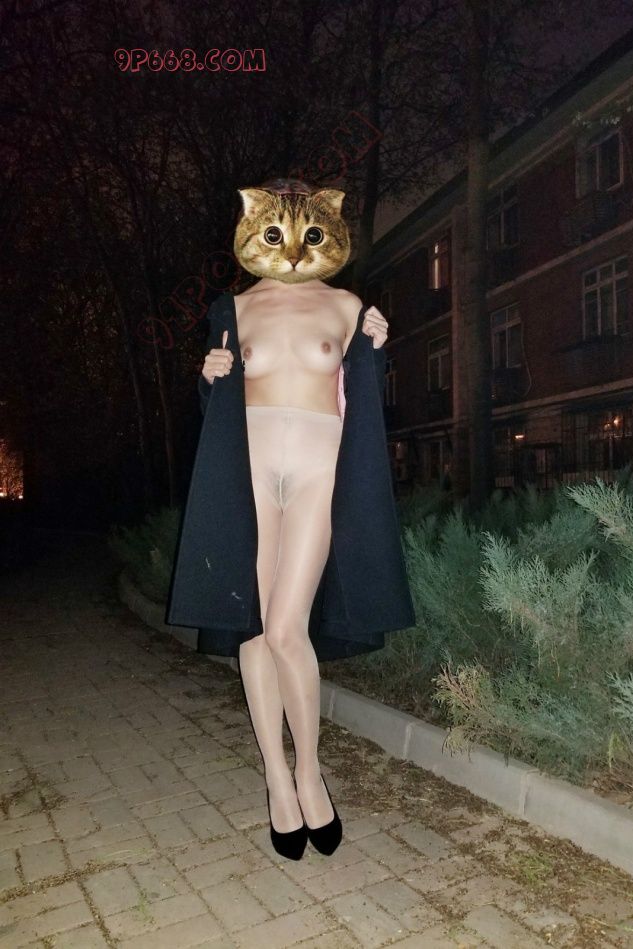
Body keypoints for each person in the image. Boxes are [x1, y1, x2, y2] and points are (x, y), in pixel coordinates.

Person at [200, 179, 390, 860]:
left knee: (286, 627)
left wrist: (377, 348)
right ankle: (278, 781)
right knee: (257, 632)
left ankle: (310, 773)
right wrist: (209, 376)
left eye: (307, 235)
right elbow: (216, 406)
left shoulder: (347, 305)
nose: (291, 250)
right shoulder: (231, 309)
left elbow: (364, 397)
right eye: (276, 234)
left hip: (318, 471)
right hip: (249, 473)